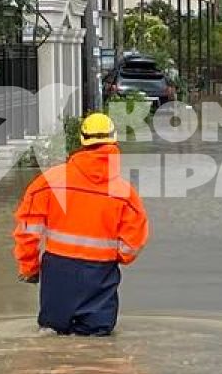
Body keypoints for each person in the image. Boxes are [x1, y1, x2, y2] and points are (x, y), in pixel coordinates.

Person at [12, 112, 148, 337]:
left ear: (82, 141)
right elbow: (129, 249)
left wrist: (29, 268)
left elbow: (27, 230)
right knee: (97, 346)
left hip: (57, 271)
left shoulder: (48, 183)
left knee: (52, 340)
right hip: (100, 276)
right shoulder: (125, 195)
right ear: (114, 142)